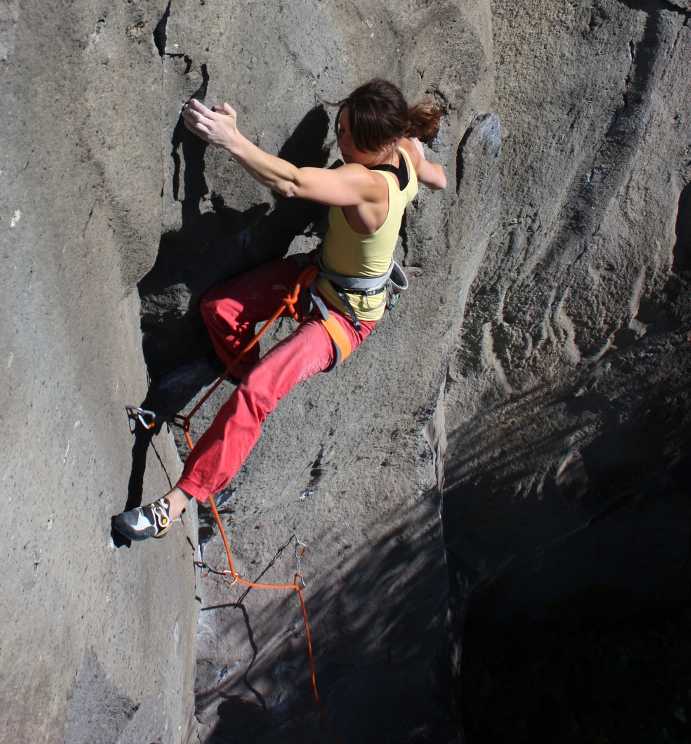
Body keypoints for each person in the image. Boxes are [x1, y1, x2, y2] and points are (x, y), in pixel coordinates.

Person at [112, 78, 447, 542]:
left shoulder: (368, 184)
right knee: (221, 309)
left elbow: (291, 181)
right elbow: (435, 176)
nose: (341, 140)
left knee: (259, 391)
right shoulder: (406, 152)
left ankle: (180, 499)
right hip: (320, 275)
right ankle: (241, 392)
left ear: (381, 145)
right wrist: (429, 166)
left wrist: (230, 138)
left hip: (345, 318)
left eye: (351, 137)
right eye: (341, 125)